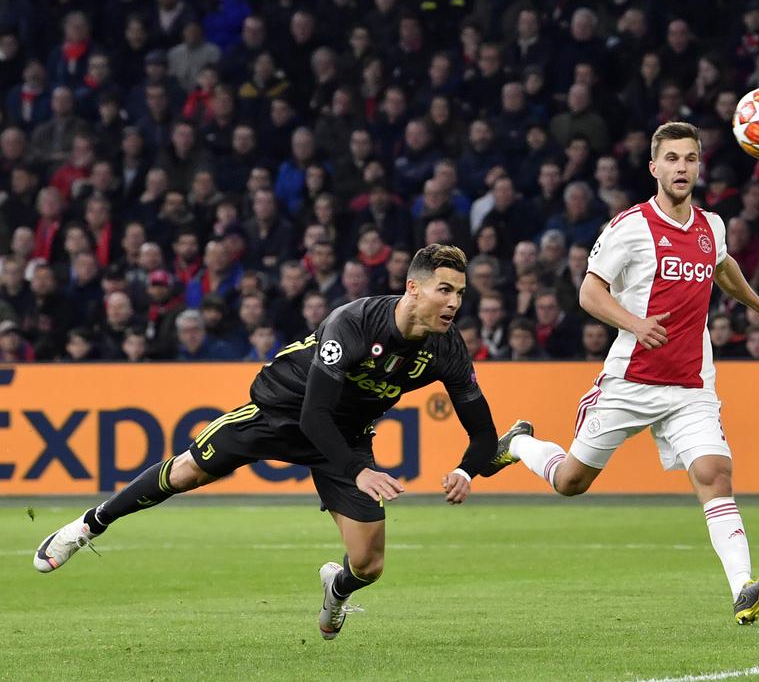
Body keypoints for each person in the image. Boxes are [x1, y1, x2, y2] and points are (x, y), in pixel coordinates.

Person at [33, 245, 513, 639]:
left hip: (345, 436)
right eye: (444, 290)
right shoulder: (354, 322)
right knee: (186, 472)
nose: (454, 303)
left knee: (369, 565)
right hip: (281, 411)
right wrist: (359, 471)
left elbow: (483, 432)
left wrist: (466, 470)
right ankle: (87, 526)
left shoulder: (447, 348)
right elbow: (313, 413)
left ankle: (336, 591)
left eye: (460, 293)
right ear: (413, 288)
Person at [491, 122, 759, 624]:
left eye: (690, 158)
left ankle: (743, 588)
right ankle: (519, 443)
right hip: (629, 383)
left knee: (715, 475)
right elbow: (590, 292)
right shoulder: (630, 227)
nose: (681, 167)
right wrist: (635, 323)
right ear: (654, 168)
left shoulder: (711, 226)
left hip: (691, 386)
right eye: (671, 159)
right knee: (571, 481)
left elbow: (722, 267)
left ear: (699, 166)